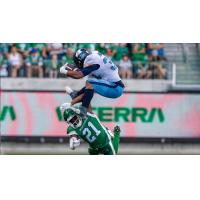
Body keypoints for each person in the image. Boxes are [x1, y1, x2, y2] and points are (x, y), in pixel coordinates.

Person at [59, 48, 125, 116]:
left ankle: (83, 107)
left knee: (89, 83)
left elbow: (79, 75)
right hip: (113, 85)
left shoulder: (92, 61)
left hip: (115, 88)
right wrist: (70, 72)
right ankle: (78, 97)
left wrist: (64, 71)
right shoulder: (94, 56)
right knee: (88, 91)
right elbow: (80, 74)